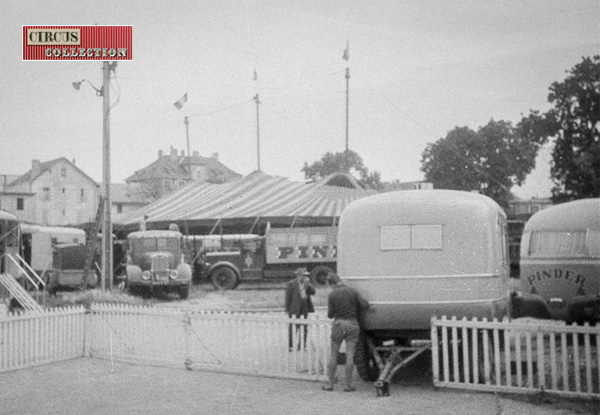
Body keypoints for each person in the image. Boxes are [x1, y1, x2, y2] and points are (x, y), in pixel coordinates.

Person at [322, 272, 369, 392]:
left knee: (334, 355)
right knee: (350, 355)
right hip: (352, 325)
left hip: (339, 325)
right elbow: (365, 305)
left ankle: (330, 384)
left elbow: (330, 314)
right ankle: (348, 385)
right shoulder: (352, 291)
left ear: (331, 283)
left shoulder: (332, 294)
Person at [285, 267, 315, 351]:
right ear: (298, 276)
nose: (303, 277)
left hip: (304, 307)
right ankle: (290, 345)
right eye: (302, 275)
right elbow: (288, 297)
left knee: (304, 327)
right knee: (293, 327)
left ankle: (302, 345)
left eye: (305, 276)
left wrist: (309, 285)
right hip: (294, 308)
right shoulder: (291, 284)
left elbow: (313, 292)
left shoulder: (307, 284)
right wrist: (287, 309)